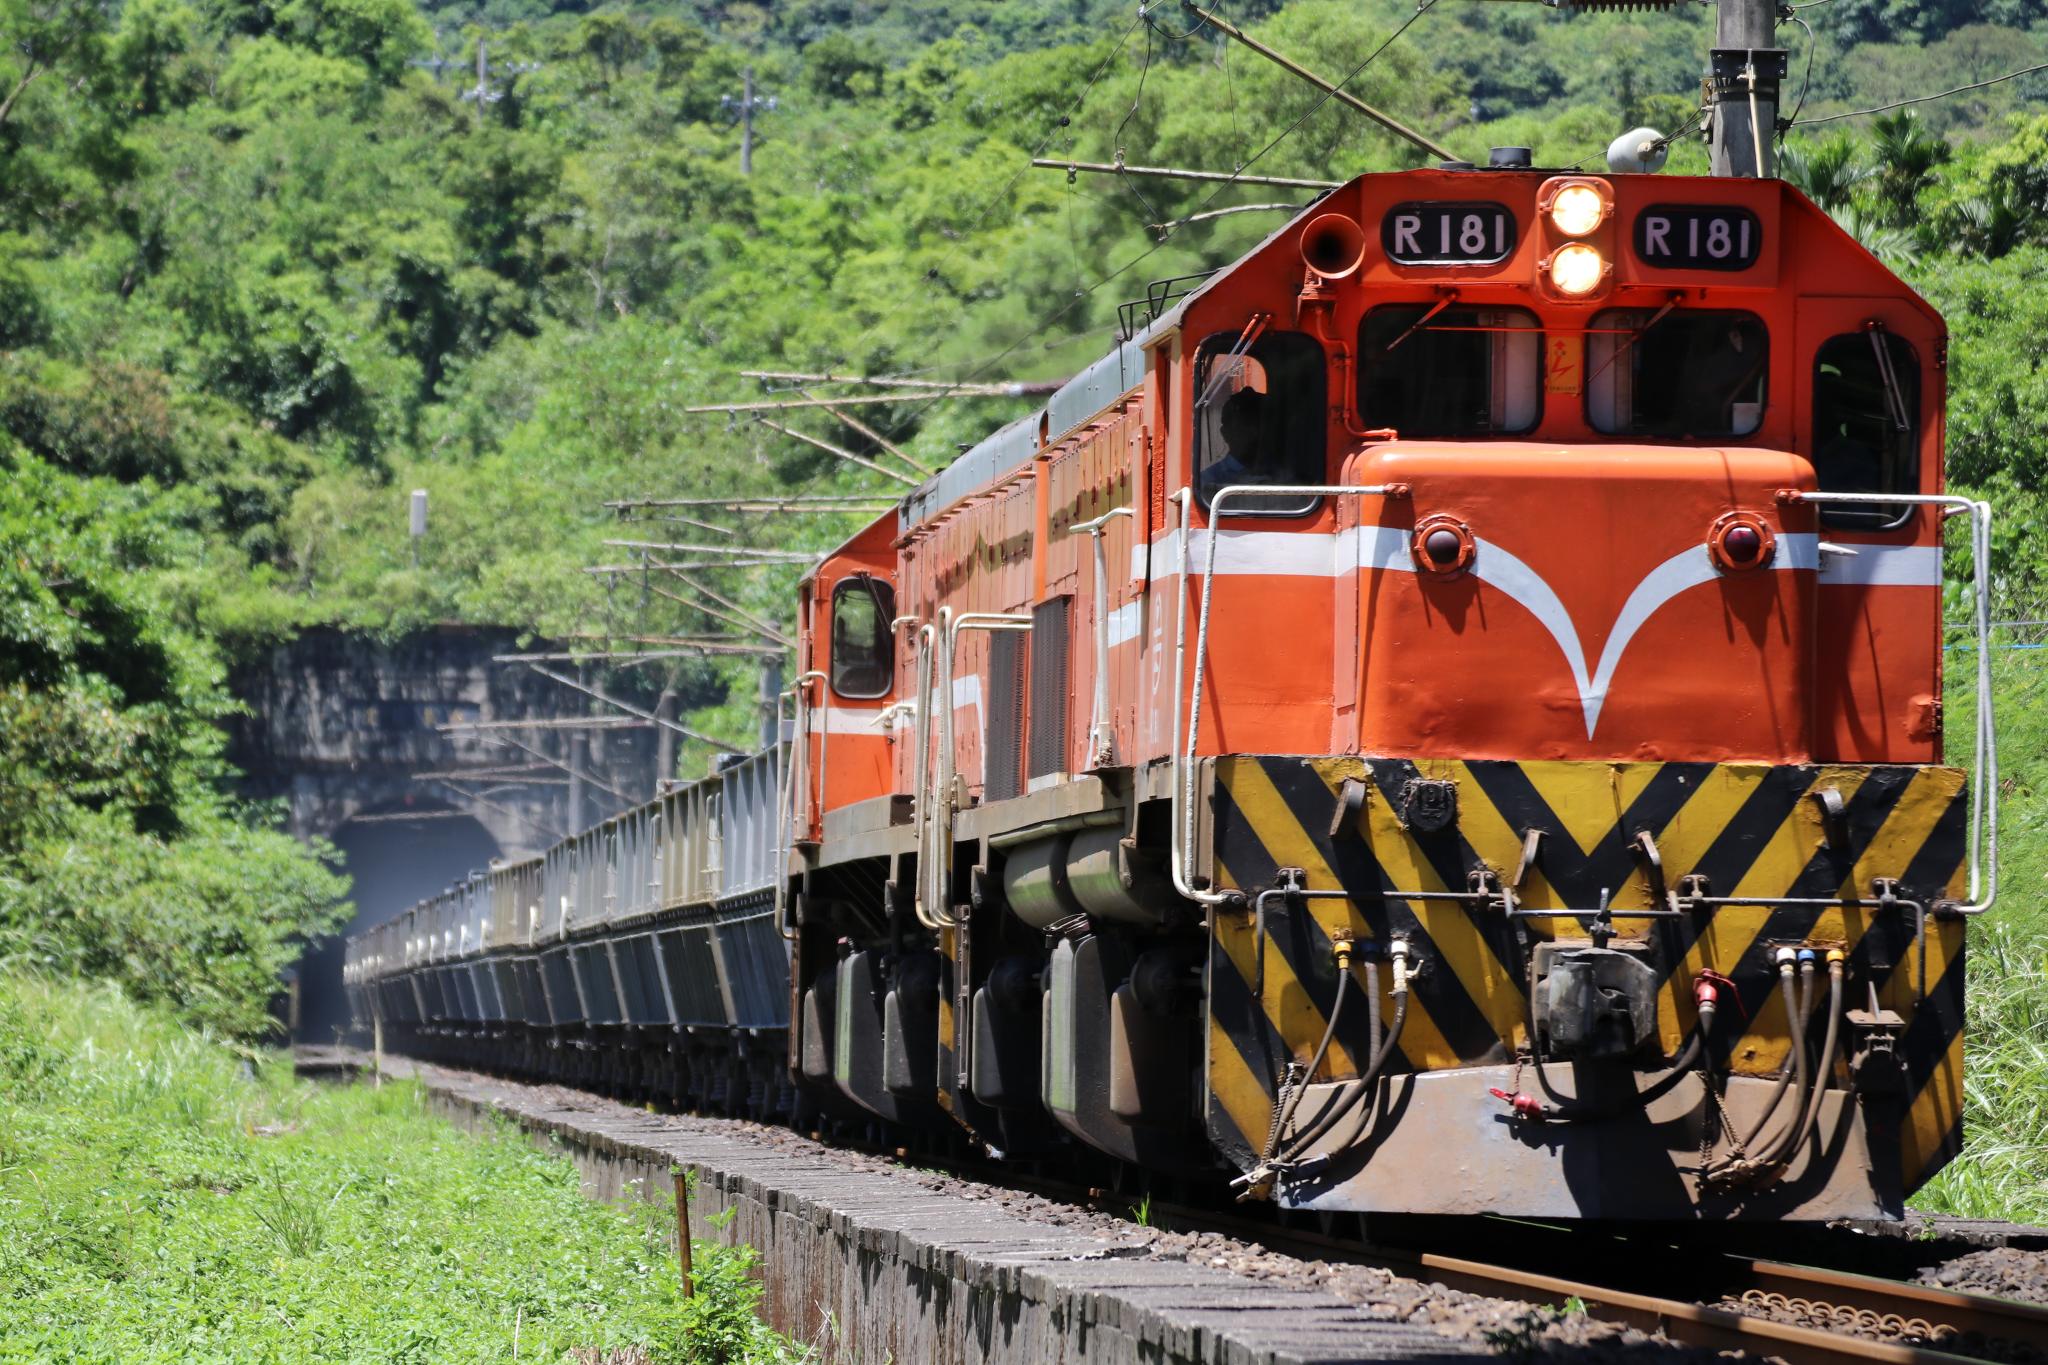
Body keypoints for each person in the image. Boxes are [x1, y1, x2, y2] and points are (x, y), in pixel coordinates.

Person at [1202, 388, 1282, 492]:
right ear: (1225, 433)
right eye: (1245, 425)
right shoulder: (1206, 482)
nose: (1254, 432)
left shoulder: (1285, 476)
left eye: (1258, 424)